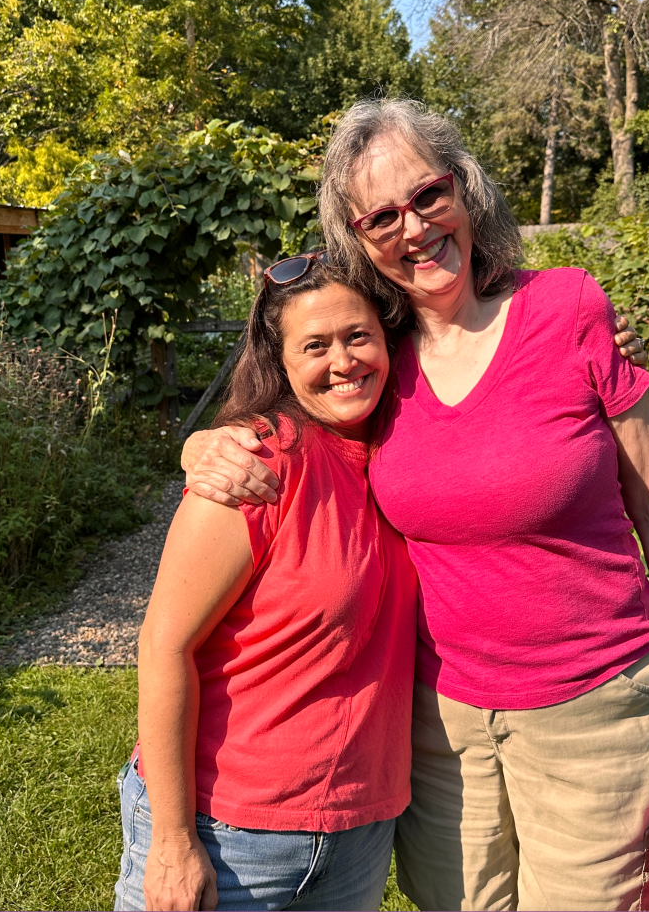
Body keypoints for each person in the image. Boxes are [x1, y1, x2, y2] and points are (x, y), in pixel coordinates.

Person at [181, 98, 649, 912]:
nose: (414, 228)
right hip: (442, 725)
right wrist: (199, 445)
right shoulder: (375, 358)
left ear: (464, 190)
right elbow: (291, 415)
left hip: (597, 708)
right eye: (381, 217)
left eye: (428, 196)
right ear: (357, 240)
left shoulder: (568, 307)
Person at [114, 258, 418, 912]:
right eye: (315, 345)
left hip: (357, 834)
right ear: (280, 363)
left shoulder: (404, 458)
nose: (342, 360)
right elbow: (164, 645)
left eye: (357, 336)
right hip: (228, 833)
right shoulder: (255, 464)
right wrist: (172, 840)